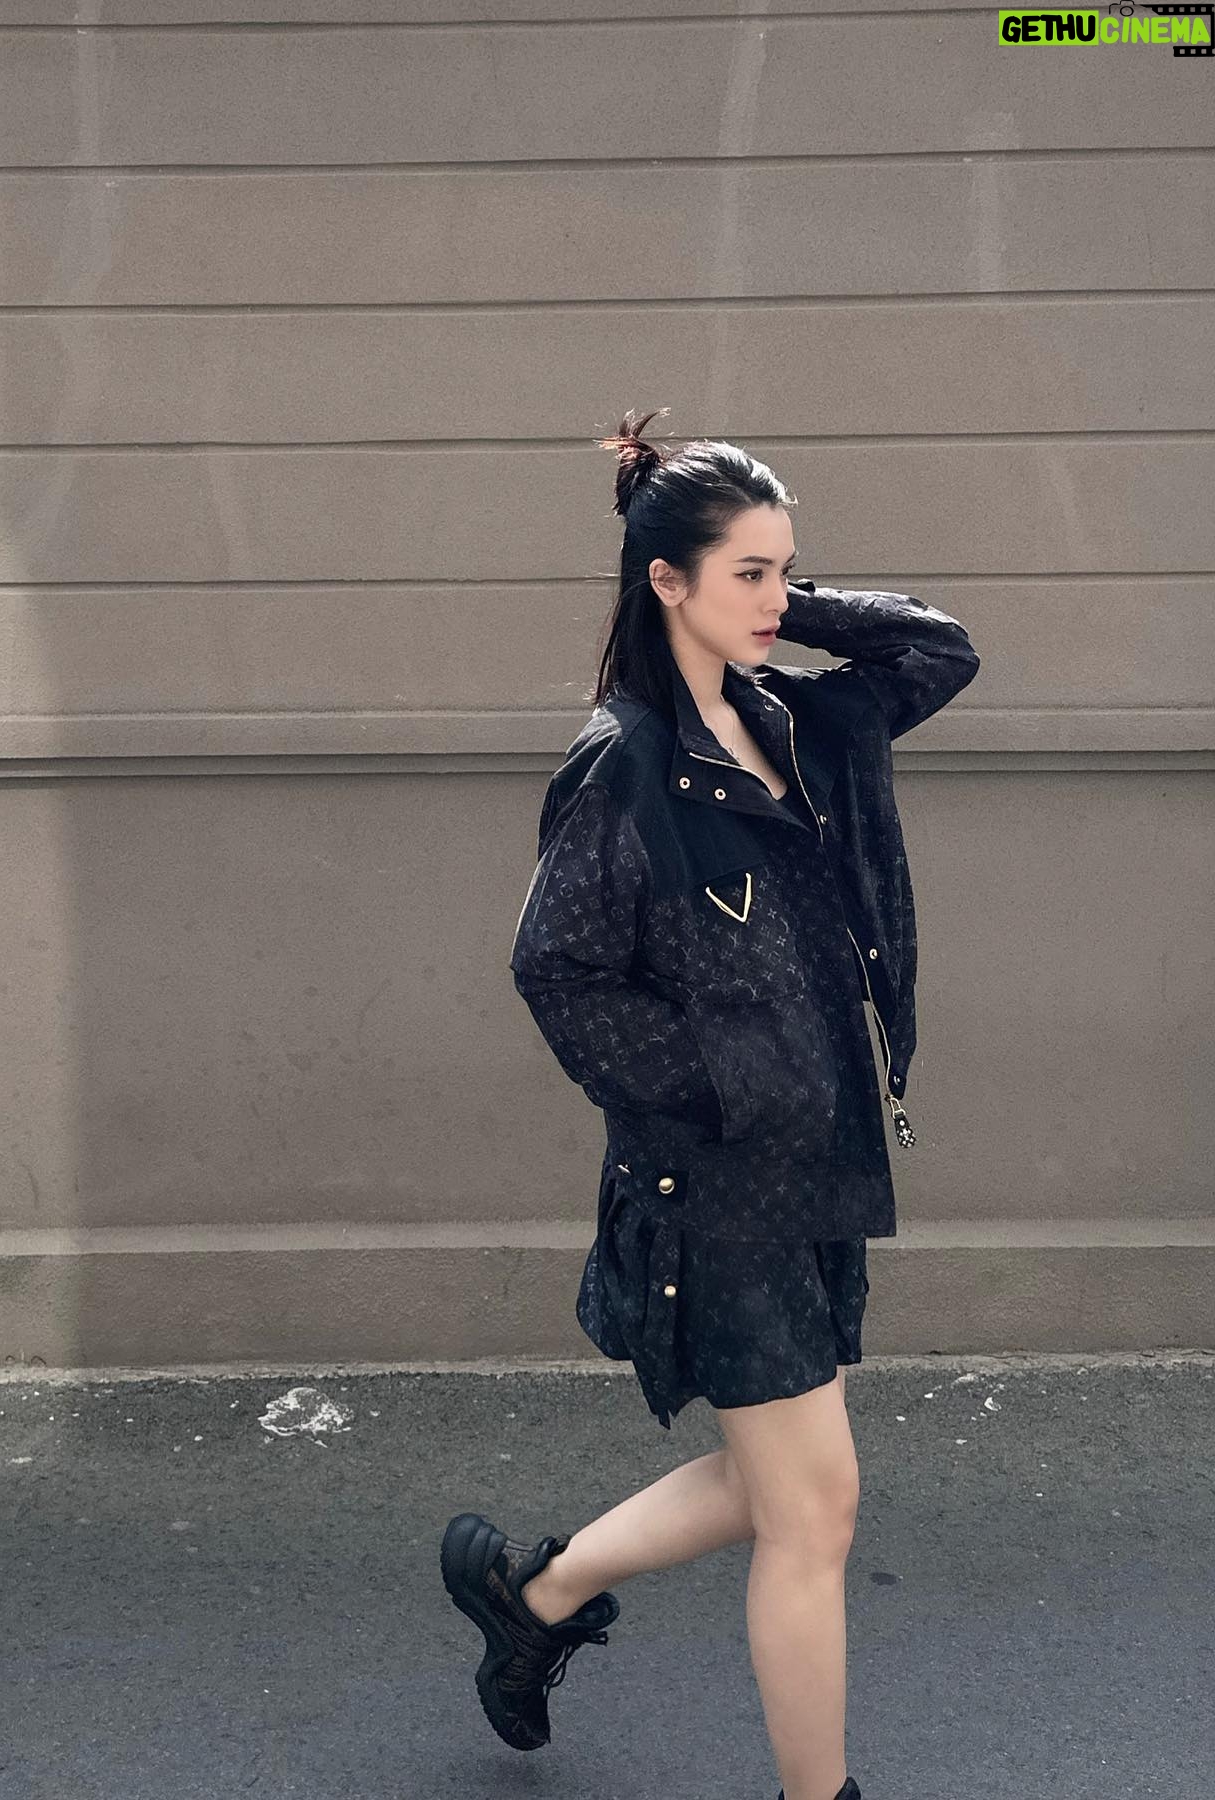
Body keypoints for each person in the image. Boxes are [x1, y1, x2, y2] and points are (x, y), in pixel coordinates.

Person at [440, 408, 981, 1800]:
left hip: (823, 1159)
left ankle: (532, 1595)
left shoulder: (795, 719)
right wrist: (715, 1092)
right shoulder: (626, 767)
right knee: (815, 1513)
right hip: (723, 1177)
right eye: (749, 572)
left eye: (786, 570)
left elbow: (937, 651)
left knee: (768, 1482)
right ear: (665, 581)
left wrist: (790, 605)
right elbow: (557, 967)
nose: (777, 599)